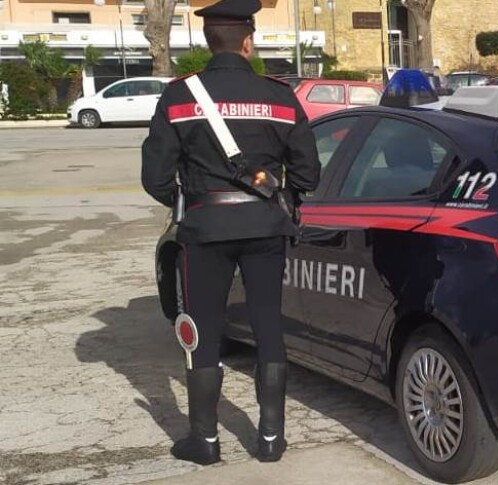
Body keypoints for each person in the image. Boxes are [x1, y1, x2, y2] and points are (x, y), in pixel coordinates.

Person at [141, 0, 320, 466]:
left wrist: (192, 203)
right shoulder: (280, 96)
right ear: (247, 41)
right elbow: (309, 173)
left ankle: (205, 442)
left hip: (204, 230)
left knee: (203, 329)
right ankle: (271, 440)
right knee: (268, 326)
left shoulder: (179, 97)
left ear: (207, 42)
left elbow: (155, 178)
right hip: (265, 229)